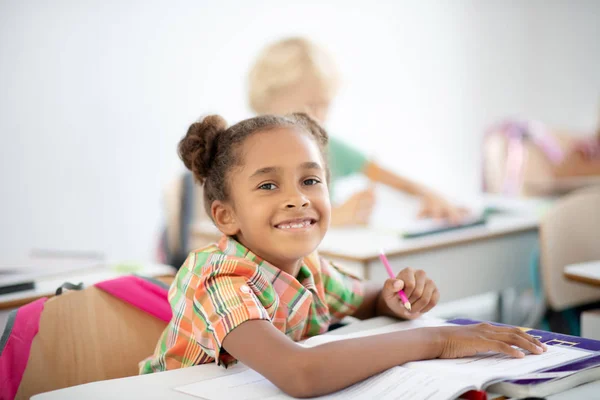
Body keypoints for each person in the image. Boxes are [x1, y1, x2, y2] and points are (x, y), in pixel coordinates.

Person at [141, 112, 546, 397]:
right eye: (268, 186)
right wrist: (438, 339)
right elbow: (300, 373)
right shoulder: (219, 277)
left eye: (311, 180)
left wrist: (395, 296)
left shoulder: (309, 270)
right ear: (225, 216)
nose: (297, 198)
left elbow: (366, 300)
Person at [247, 37, 467, 226]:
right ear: (266, 105)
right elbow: (257, 224)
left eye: (325, 105)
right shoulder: (245, 153)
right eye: (308, 106)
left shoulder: (327, 147)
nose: (317, 118)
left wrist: (430, 196)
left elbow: (389, 177)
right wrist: (333, 217)